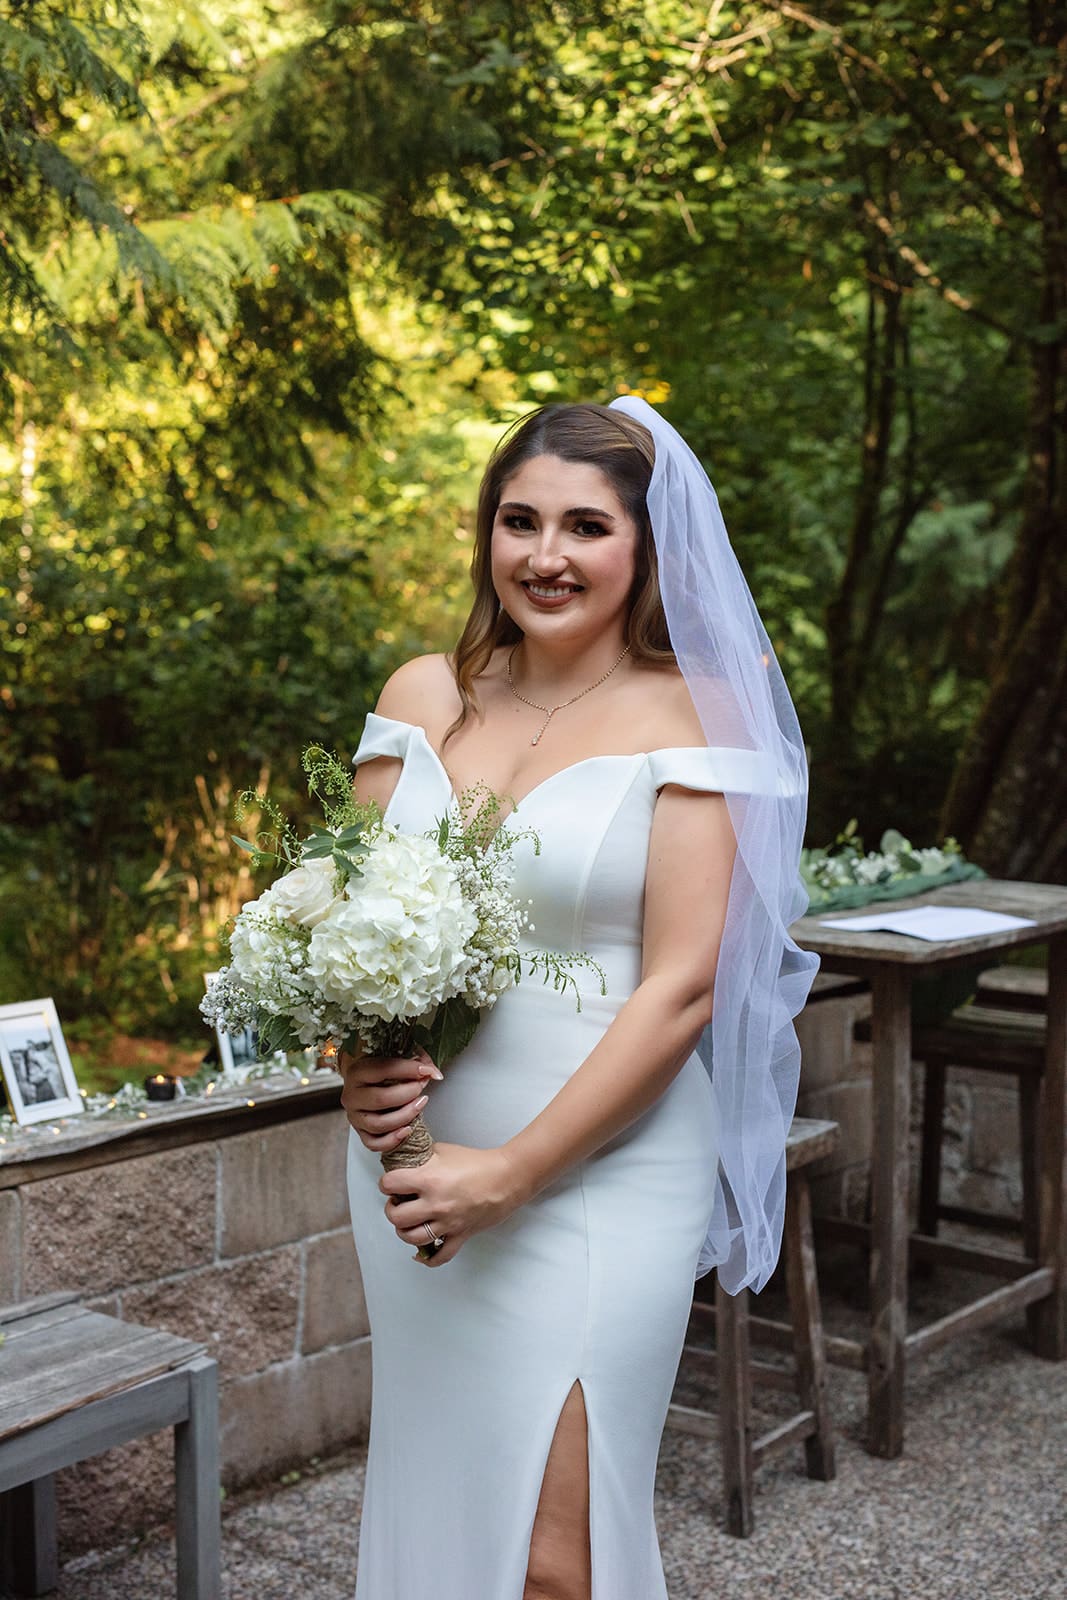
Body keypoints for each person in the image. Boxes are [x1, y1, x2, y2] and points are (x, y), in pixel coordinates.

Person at [340, 397, 816, 1600]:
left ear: (644, 549)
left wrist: (513, 1171)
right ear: (486, 533)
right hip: (415, 1170)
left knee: (560, 1559)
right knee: (440, 1500)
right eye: (518, 520)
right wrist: (352, 1059)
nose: (544, 555)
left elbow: (680, 986)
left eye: (584, 526)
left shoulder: (694, 714)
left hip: (596, 1170)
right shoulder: (419, 695)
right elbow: (338, 916)